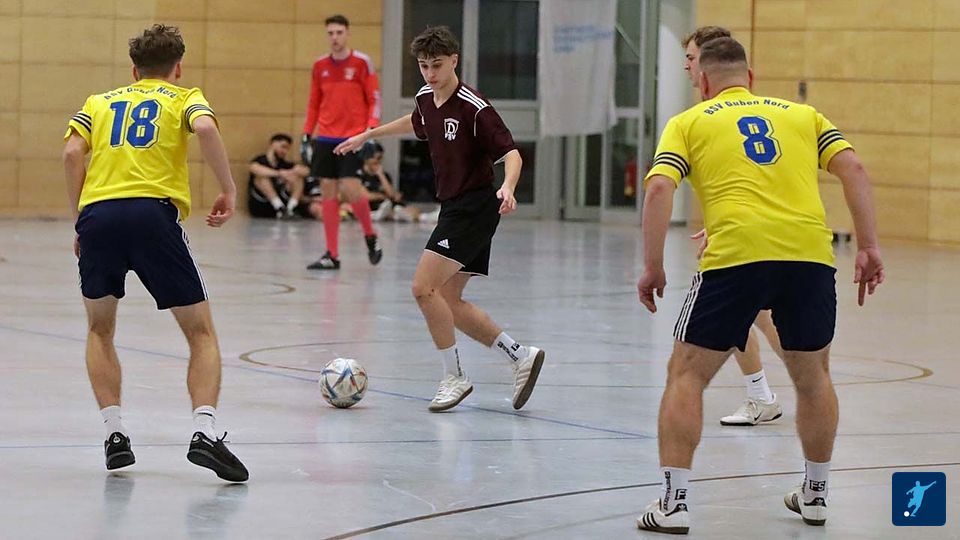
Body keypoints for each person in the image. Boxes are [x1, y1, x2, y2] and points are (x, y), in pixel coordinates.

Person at [635, 37, 884, 533]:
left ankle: (673, 504)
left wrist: (653, 266)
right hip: (809, 258)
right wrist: (869, 247)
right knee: (813, 378)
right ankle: (816, 495)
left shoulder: (689, 122)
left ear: (704, 80)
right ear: (749, 77)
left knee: (686, 375)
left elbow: (661, 187)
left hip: (736, 256)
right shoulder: (804, 116)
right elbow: (854, 168)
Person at [62, 24, 249, 482]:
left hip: (99, 216)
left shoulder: (98, 102)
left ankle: (114, 434)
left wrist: (80, 218)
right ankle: (204, 431)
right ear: (177, 67)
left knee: (99, 329)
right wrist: (228, 189)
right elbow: (205, 127)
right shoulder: (184, 98)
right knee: (200, 333)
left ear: (134, 70)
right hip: (152, 215)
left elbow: (71, 154)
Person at [334, 26, 545, 412]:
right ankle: (520, 356)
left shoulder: (474, 107)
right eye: (423, 66)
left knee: (422, 288)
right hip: (454, 207)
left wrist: (509, 186)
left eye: (437, 65)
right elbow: (417, 121)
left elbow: (511, 153)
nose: (430, 74)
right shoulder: (425, 97)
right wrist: (368, 135)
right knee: (448, 299)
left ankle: (454, 376)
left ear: (454, 61)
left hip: (474, 207)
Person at [683, 25, 783, 426]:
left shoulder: (707, 117)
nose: (687, 68)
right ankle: (768, 393)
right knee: (759, 315)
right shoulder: (748, 111)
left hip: (748, 235)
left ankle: (773, 392)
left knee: (743, 314)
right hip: (757, 227)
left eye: (691, 59)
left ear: (708, 63)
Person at [302, 14, 383, 270]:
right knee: (327, 191)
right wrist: (306, 134)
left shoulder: (362, 63)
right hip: (325, 137)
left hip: (353, 137)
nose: (334, 37)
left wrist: (371, 130)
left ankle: (370, 235)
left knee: (351, 188)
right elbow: (314, 102)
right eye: (330, 33)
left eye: (339, 32)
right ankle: (332, 254)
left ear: (347, 33)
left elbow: (374, 98)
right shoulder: (320, 66)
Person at [248, 133, 312, 218]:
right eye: (283, 147)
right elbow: (254, 168)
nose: (285, 151)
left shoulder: (284, 164)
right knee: (262, 179)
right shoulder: (260, 160)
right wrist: (279, 173)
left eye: (287, 149)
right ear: (273, 144)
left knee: (297, 178)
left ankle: (291, 208)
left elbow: (307, 171)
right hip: (261, 206)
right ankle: (278, 207)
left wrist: (292, 172)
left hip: (283, 202)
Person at [356, 141, 423, 222]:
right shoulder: (359, 175)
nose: (378, 161)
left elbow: (392, 194)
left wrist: (381, 175)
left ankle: (399, 215)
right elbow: (366, 195)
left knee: (413, 209)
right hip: (373, 205)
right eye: (377, 158)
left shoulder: (384, 175)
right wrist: (384, 196)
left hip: (387, 204)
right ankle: (382, 215)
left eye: (380, 158)